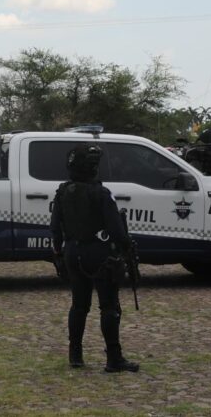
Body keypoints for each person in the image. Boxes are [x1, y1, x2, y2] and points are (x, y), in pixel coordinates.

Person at [50, 143, 139, 372]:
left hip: (72, 252)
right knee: (109, 306)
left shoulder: (62, 192)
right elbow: (117, 230)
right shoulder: (101, 193)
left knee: (79, 305)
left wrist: (59, 253)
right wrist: (126, 248)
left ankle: (75, 354)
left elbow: (54, 228)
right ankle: (114, 358)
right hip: (98, 253)